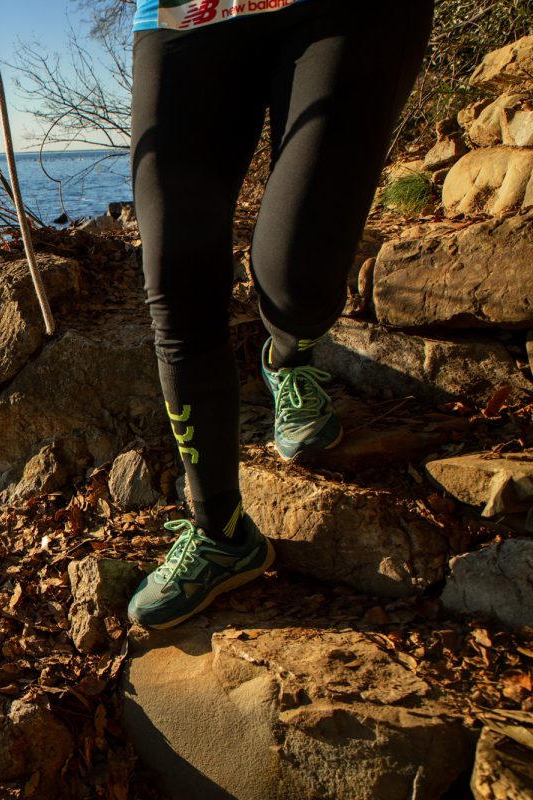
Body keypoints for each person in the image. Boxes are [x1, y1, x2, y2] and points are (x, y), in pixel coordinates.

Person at [125, 0, 434, 629]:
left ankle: (289, 358)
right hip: (189, 16)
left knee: (291, 273)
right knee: (175, 278)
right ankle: (222, 534)